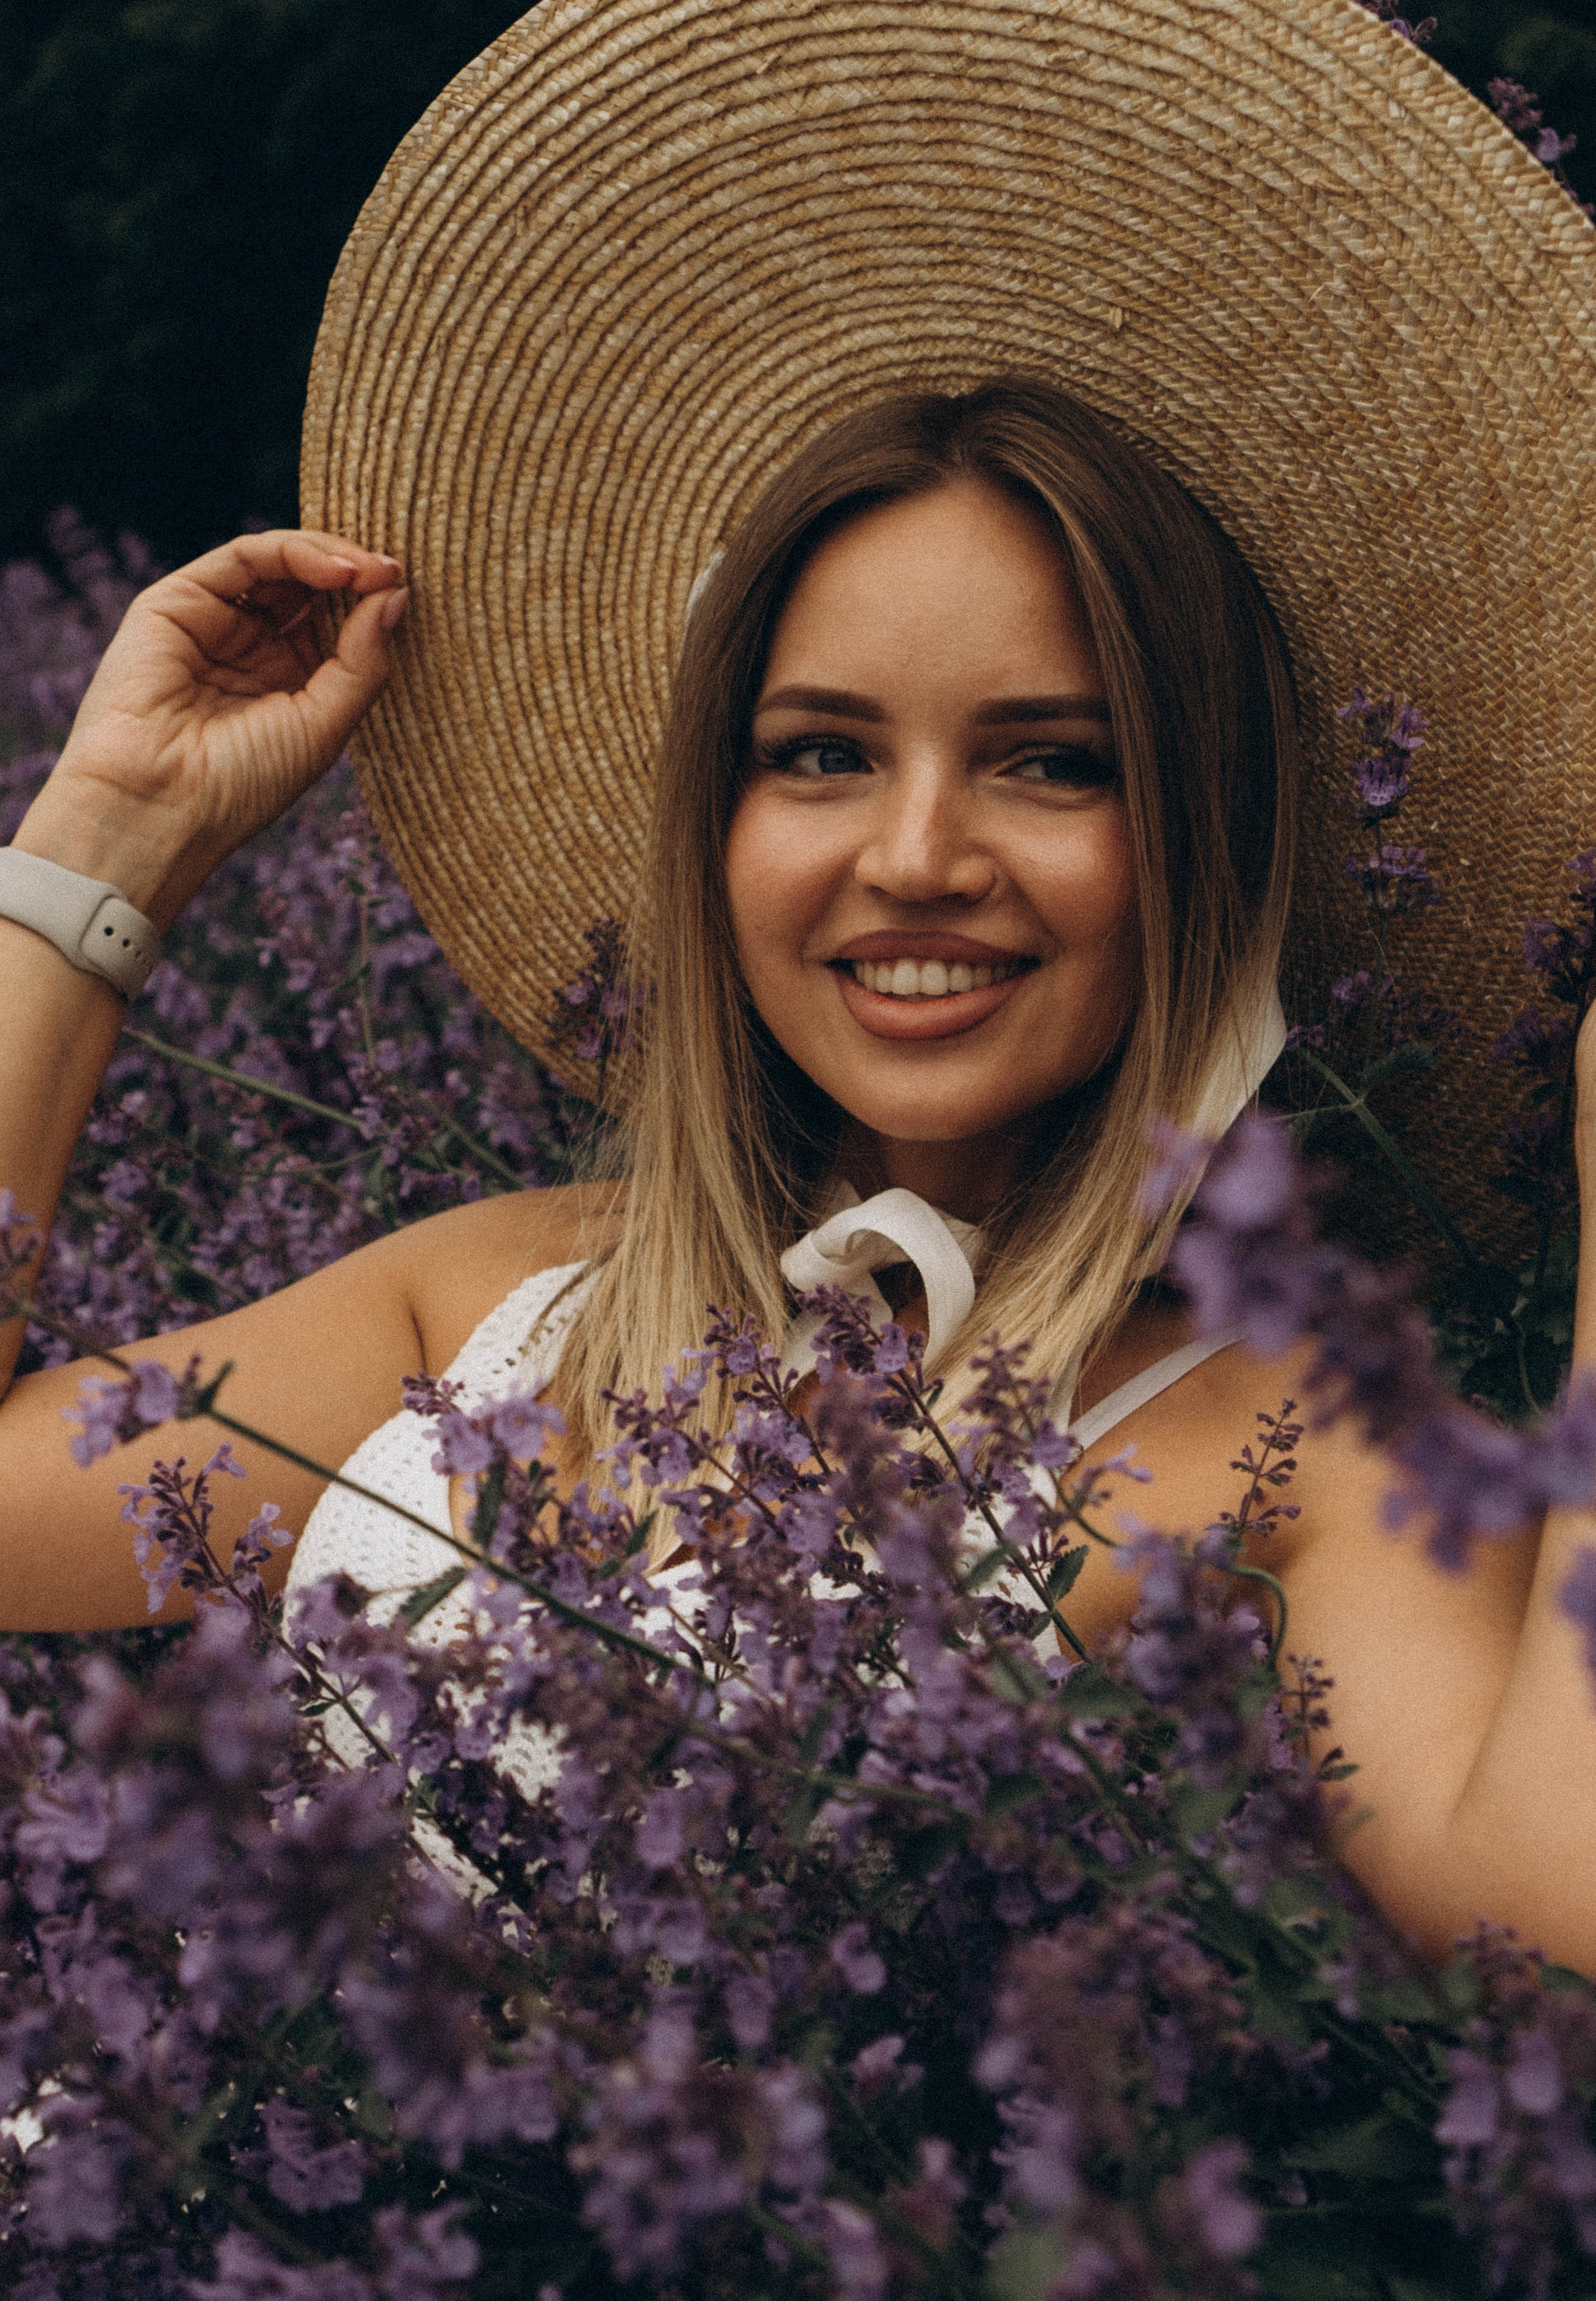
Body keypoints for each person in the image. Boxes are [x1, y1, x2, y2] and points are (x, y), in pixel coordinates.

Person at [2, 0, 1595, 1978]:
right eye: (821, 753)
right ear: (712, 830)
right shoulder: (484, 1319)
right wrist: (102, 852)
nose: (915, 854)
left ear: (1211, 836)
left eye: (1056, 759)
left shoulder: (1303, 1453)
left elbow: (1553, 1926)